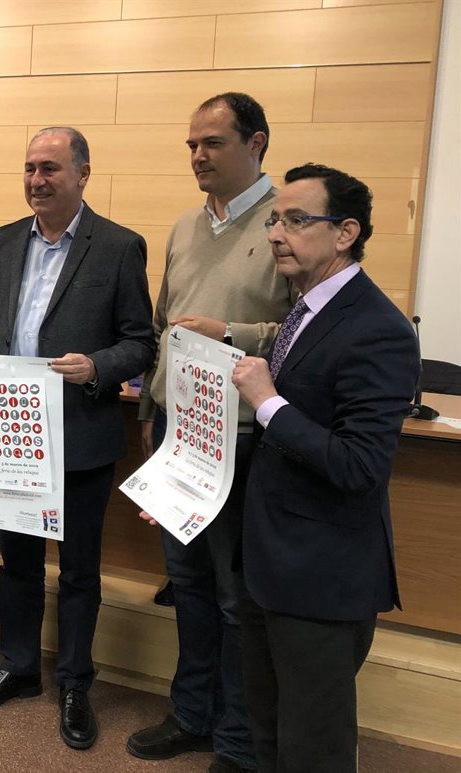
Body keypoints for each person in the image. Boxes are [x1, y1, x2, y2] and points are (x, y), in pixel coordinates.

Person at [0, 127, 154, 749]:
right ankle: (18, 667)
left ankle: (74, 683)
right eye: (30, 168)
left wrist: (97, 366)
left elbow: (140, 341)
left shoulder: (118, 246)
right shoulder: (2, 241)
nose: (37, 180)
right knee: (17, 563)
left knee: (80, 570)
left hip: (80, 435)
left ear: (82, 174)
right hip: (10, 438)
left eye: (50, 169)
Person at [231, 163, 417, 773]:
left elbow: (359, 465)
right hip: (268, 560)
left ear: (345, 232)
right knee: (267, 728)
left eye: (295, 220)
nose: (276, 234)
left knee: (313, 746)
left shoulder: (378, 328)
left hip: (321, 575)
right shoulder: (304, 309)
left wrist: (268, 402)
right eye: (273, 220)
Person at [129, 93, 296, 773]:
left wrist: (230, 333)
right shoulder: (184, 227)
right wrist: (149, 415)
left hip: (243, 436)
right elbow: (161, 328)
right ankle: (192, 713)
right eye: (191, 145)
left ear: (256, 143)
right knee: (187, 582)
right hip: (180, 431)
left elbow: (306, 332)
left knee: (235, 597)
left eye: (213, 143)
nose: (198, 156)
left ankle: (237, 736)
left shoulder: (288, 222)